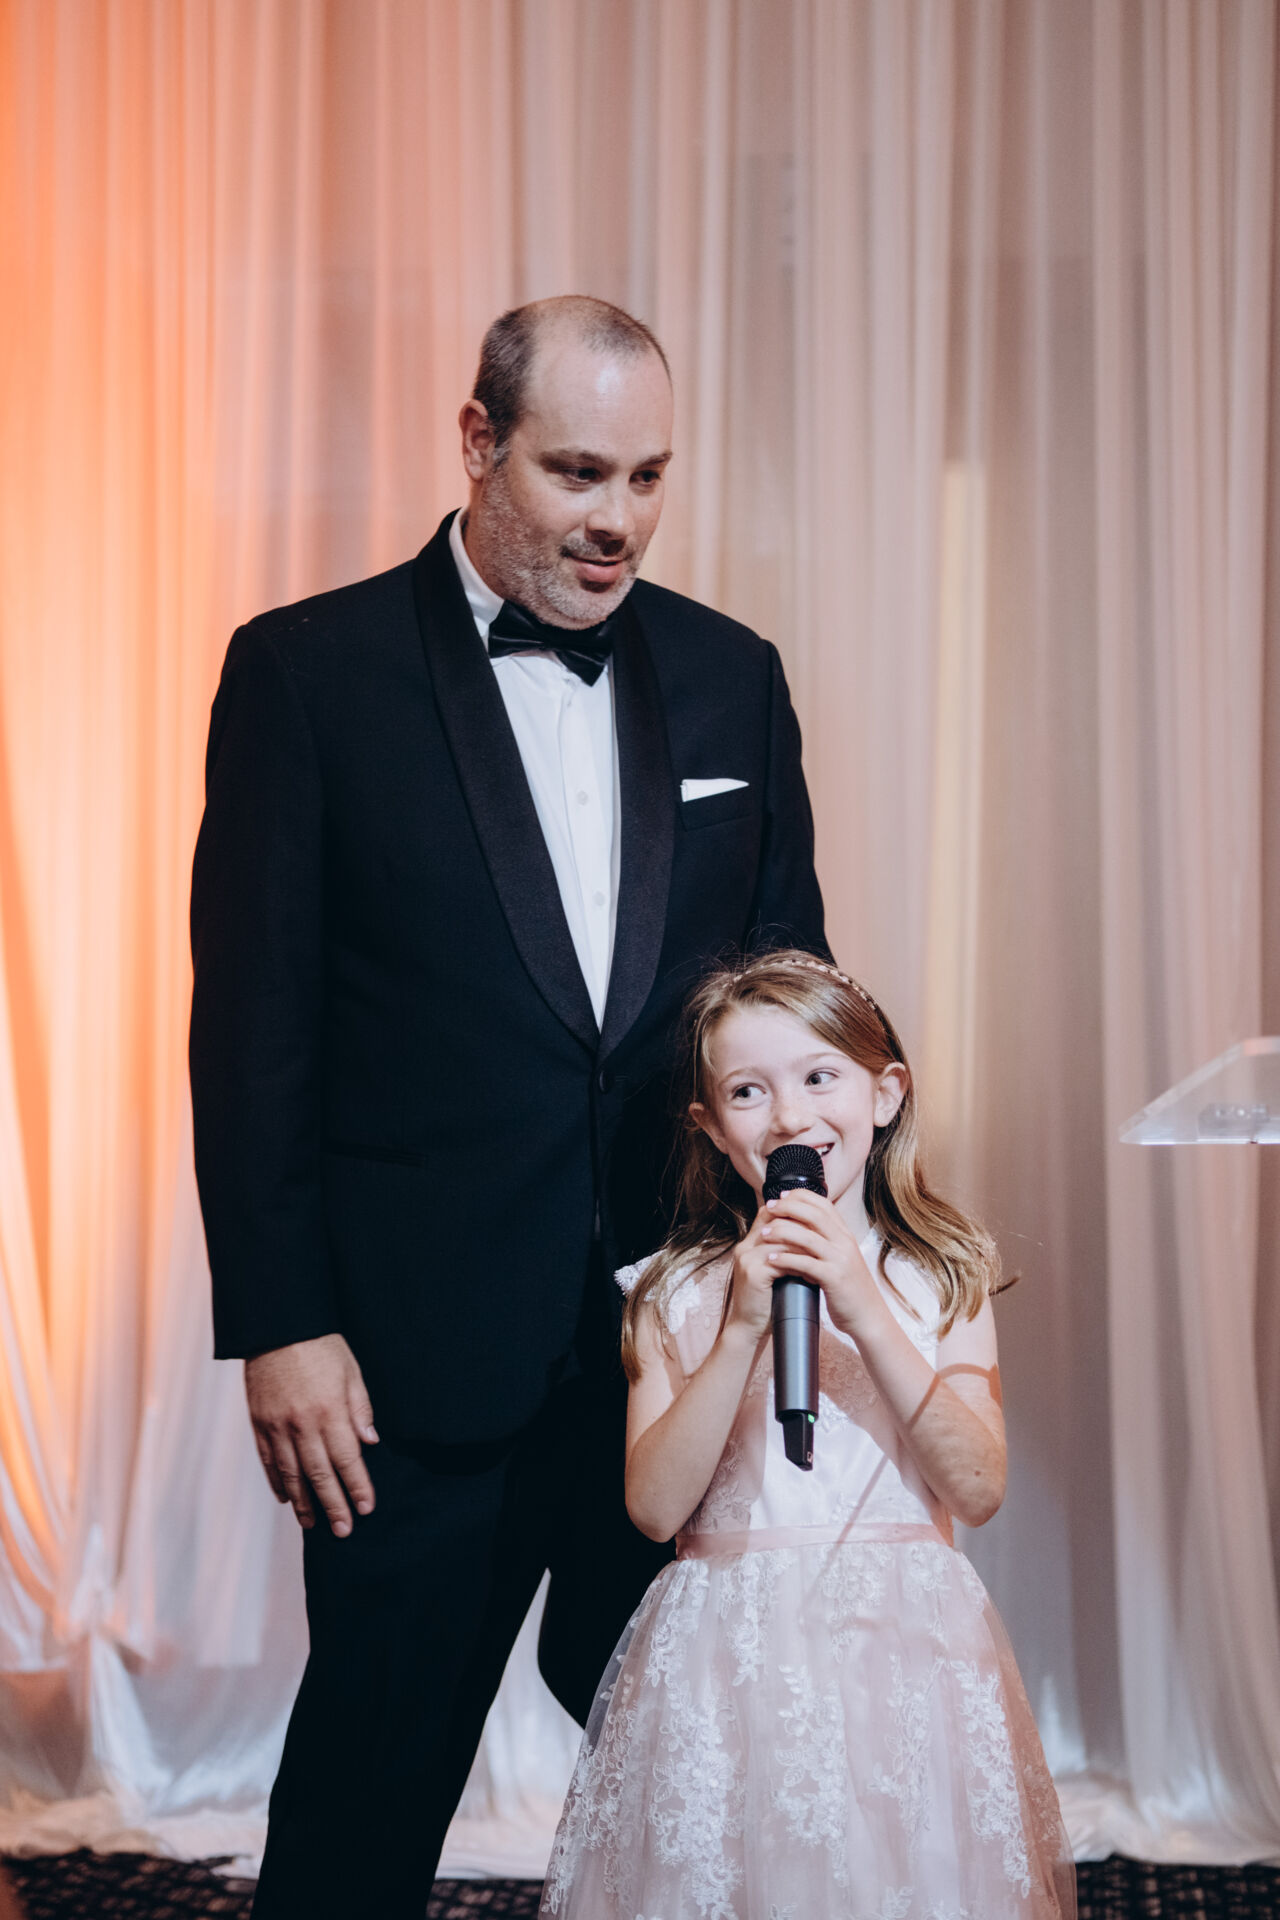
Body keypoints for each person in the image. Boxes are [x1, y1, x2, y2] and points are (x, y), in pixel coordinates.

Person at [188, 296, 826, 1919]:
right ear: (479, 442)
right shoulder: (306, 676)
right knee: (365, 1802)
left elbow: (787, 998)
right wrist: (282, 1322)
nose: (619, 519)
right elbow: (252, 1033)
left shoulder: (733, 677)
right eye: (578, 472)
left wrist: (807, 1265)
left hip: (675, 1352)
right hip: (413, 1367)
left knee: (712, 1795)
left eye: (648, 477)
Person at [540, 949, 1076, 1919]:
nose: (789, 1117)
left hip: (900, 1649)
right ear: (710, 1127)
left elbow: (977, 1486)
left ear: (885, 1093)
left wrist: (864, 1307)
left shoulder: (940, 1274)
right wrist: (741, 1326)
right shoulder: (668, 1291)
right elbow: (654, 1508)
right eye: (748, 1091)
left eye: (819, 1077)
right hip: (726, 1655)